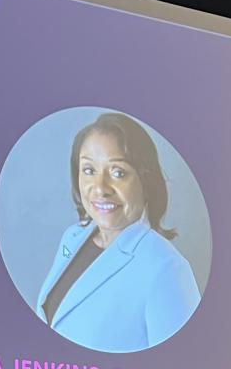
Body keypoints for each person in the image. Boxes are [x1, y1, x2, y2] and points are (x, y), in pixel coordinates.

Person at [34, 112, 200, 353]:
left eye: (118, 173)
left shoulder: (167, 269)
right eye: (89, 170)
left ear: (146, 181)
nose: (100, 188)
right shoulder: (73, 237)